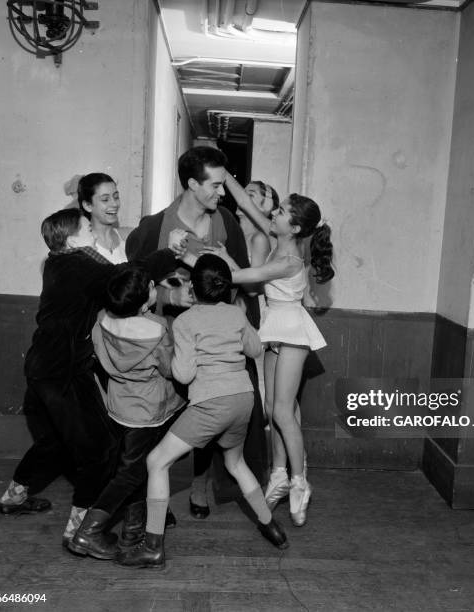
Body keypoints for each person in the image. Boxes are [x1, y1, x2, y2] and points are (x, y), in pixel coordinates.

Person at [0, 208, 183, 545]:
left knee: (55, 439)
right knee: (101, 448)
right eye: (86, 227)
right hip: (62, 372)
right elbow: (129, 275)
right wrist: (170, 252)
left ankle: (13, 497)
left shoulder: (58, 262)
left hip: (45, 367)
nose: (93, 230)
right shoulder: (79, 265)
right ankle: (80, 531)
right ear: (71, 239)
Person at [115, 254, 288, 569]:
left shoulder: (185, 321)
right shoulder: (236, 315)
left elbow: (182, 375)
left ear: (193, 290)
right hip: (243, 399)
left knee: (156, 461)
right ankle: (270, 525)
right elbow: (254, 349)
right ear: (225, 288)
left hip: (211, 403)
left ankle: (153, 546)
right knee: (235, 463)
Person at [125, 146, 268, 518]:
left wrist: (229, 311)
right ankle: (154, 496)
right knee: (161, 418)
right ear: (191, 183)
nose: (223, 194)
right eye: (216, 185)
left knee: (213, 414)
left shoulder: (227, 224)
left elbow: (246, 288)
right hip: (172, 338)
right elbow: (132, 287)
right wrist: (173, 295)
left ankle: (202, 485)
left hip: (216, 346)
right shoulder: (155, 227)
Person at [200, 172, 334, 527]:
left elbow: (242, 277)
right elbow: (244, 202)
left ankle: (300, 482)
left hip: (291, 330)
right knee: (275, 411)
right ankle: (277, 474)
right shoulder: (280, 240)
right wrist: (222, 172)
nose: (273, 213)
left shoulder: (289, 261)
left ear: (294, 227)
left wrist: (216, 256)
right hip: (275, 327)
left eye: (281, 212)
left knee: (283, 412)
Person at [67, 266, 186, 560]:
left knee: (136, 466)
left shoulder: (101, 321)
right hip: (148, 410)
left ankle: (132, 531)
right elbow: (171, 370)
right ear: (144, 301)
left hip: (118, 406)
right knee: (130, 474)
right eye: (150, 286)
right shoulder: (157, 329)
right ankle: (88, 532)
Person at [78, 173, 129, 264]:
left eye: (116, 197)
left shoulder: (128, 237)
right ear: (87, 205)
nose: (114, 204)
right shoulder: (82, 245)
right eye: (105, 199)